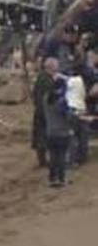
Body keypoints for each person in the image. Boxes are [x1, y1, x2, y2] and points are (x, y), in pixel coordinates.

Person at [42, 59, 74, 188]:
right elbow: (68, 115)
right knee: (62, 156)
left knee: (53, 156)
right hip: (62, 132)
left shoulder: (46, 98)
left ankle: (52, 179)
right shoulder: (62, 102)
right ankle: (61, 179)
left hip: (50, 131)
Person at [33, 56, 58, 169]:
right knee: (43, 136)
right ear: (51, 67)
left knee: (40, 135)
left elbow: (34, 94)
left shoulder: (41, 77)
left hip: (39, 109)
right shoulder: (48, 80)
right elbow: (49, 97)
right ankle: (43, 160)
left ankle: (42, 159)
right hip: (45, 111)